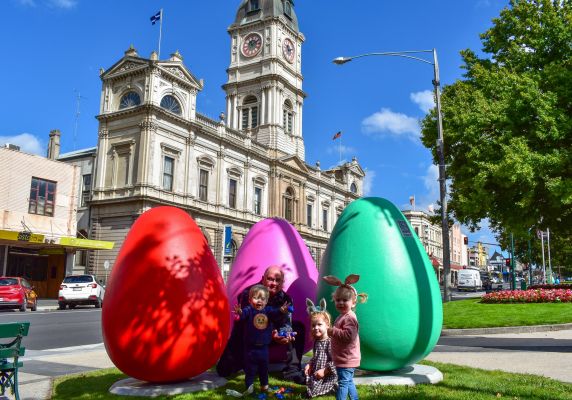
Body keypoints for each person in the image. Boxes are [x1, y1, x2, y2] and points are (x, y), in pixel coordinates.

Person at [216, 265, 307, 384]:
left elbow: (286, 322)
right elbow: (251, 321)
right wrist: (272, 333)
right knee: (224, 370)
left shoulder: (285, 299)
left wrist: (285, 334)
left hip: (270, 337)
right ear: (263, 279)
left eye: (278, 280)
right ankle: (244, 361)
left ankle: (292, 371)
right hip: (246, 337)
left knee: (297, 328)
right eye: (270, 279)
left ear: (282, 282)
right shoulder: (249, 293)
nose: (274, 283)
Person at [234, 284, 289, 393]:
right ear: (250, 300)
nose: (259, 301)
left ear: (266, 301)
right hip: (250, 348)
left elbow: (276, 312)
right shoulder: (249, 310)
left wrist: (282, 310)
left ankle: (265, 386)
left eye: (262, 299)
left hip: (264, 348)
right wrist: (240, 312)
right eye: (256, 298)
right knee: (250, 369)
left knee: (264, 369)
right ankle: (249, 386)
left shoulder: (268, 310)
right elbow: (243, 315)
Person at [323, 274, 368, 400]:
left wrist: (333, 331)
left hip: (347, 358)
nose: (341, 303)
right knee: (348, 382)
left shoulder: (350, 318)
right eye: (338, 300)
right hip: (344, 357)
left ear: (353, 302)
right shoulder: (342, 316)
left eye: (345, 300)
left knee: (343, 383)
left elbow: (349, 336)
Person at [304, 299, 337, 398]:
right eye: (313, 325)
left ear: (327, 325)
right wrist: (309, 364)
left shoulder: (329, 342)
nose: (316, 328)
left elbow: (336, 361)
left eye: (319, 324)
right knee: (311, 388)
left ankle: (333, 388)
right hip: (318, 373)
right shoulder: (317, 342)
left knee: (315, 390)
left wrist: (325, 371)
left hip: (328, 374)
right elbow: (315, 357)